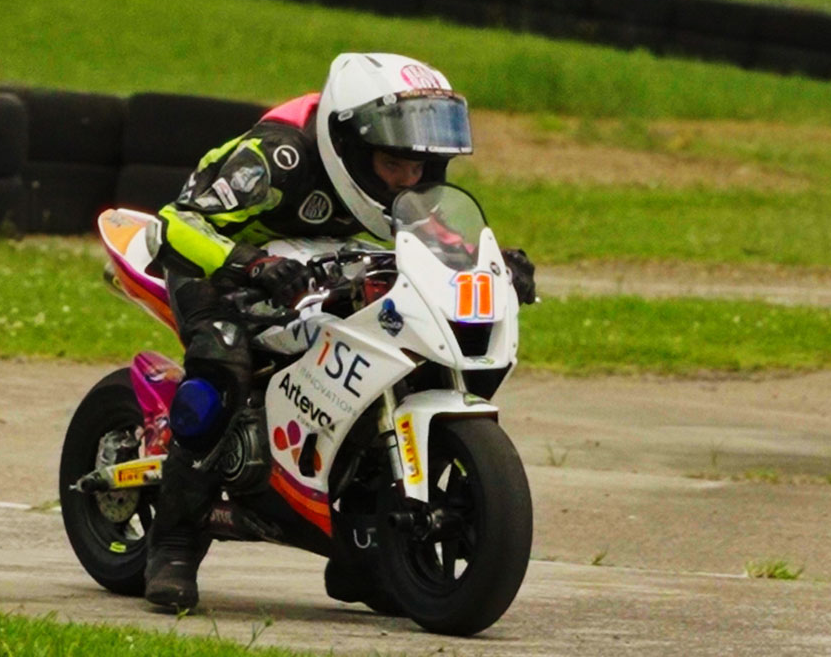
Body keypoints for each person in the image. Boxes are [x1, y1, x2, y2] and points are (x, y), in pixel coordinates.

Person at [142, 51, 537, 613]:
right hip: (220, 260)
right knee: (221, 362)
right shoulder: (279, 157)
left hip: (318, 260)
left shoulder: (403, 186)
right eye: (394, 163)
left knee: (386, 353)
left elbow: (437, 234)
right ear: (350, 146)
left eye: (422, 166)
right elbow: (177, 222)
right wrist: (252, 265)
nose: (409, 179)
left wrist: (496, 263)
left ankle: (368, 554)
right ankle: (174, 544)